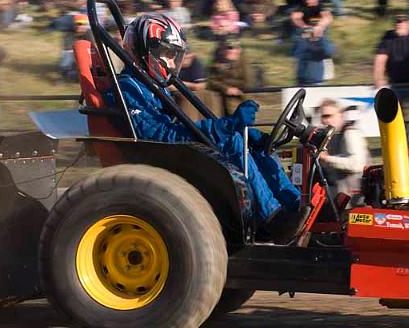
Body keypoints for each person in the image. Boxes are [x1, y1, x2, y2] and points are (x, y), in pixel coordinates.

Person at [114, 14, 308, 242]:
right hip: (159, 155)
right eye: (167, 54)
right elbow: (157, 135)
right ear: (146, 51)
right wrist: (227, 126)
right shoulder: (129, 87)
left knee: (257, 145)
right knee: (232, 141)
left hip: (171, 151)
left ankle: (294, 205)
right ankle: (272, 218)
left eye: (174, 56)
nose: (171, 63)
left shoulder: (150, 83)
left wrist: (243, 131)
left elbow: (175, 128)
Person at [318, 99, 369, 196]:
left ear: (341, 115)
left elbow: (356, 164)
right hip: (338, 194)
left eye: (329, 116)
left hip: (353, 198)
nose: (325, 121)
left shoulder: (350, 133)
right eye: (323, 117)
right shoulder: (333, 136)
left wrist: (327, 158)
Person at [207, 38, 251, 116]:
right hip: (218, 101)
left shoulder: (243, 63)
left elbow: (247, 82)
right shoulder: (218, 61)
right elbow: (210, 81)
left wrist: (226, 84)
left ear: (238, 50)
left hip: (237, 100)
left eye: (232, 48)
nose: (229, 51)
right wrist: (226, 88)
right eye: (227, 48)